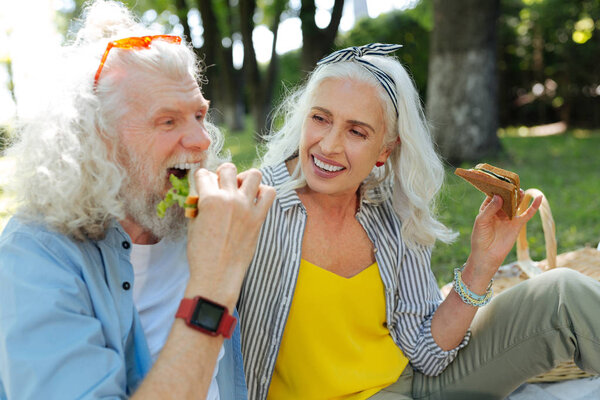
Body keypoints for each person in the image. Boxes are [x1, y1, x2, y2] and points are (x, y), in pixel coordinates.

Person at [237, 43, 600, 399]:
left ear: (384, 151)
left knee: (561, 294)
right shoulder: (250, 203)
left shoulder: (390, 208)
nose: (329, 145)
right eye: (320, 118)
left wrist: (482, 264)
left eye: (356, 131)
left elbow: (428, 352)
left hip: (417, 381)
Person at [0, 1, 275, 399]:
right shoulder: (34, 260)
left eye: (199, 115)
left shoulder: (201, 218)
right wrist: (213, 284)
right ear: (99, 138)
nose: (201, 140)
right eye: (168, 121)